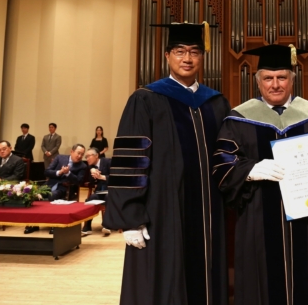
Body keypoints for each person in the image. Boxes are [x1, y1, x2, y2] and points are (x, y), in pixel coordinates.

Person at [103, 22, 230, 305]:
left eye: (194, 52)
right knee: (163, 280)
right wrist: (131, 218)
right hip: (161, 211)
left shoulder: (216, 103)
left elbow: (227, 156)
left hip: (210, 213)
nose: (187, 58)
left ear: (202, 57)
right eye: (180, 51)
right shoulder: (146, 99)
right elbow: (129, 162)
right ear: (167, 56)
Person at [213, 44, 308, 305]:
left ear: (292, 80)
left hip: (306, 218)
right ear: (258, 82)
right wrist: (249, 170)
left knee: (305, 280)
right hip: (256, 218)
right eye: (268, 78)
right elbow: (221, 164)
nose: (275, 84)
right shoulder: (238, 119)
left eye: (281, 77)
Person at [24, 143, 87, 235]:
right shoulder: (60, 158)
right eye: (78, 153)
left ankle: (54, 223)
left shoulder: (82, 166)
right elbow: (47, 172)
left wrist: (68, 173)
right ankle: (34, 223)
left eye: (82, 154)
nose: (80, 156)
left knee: (52, 196)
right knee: (34, 195)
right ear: (72, 151)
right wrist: (59, 172)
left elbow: (79, 181)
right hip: (50, 184)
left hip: (65, 188)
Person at [81, 147, 111, 236]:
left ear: (97, 155)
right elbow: (85, 181)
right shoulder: (89, 167)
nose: (87, 159)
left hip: (111, 191)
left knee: (108, 197)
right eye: (86, 157)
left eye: (89, 156)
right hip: (99, 192)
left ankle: (107, 225)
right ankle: (87, 226)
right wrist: (91, 172)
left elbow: (116, 177)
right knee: (91, 198)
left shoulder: (108, 162)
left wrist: (102, 177)